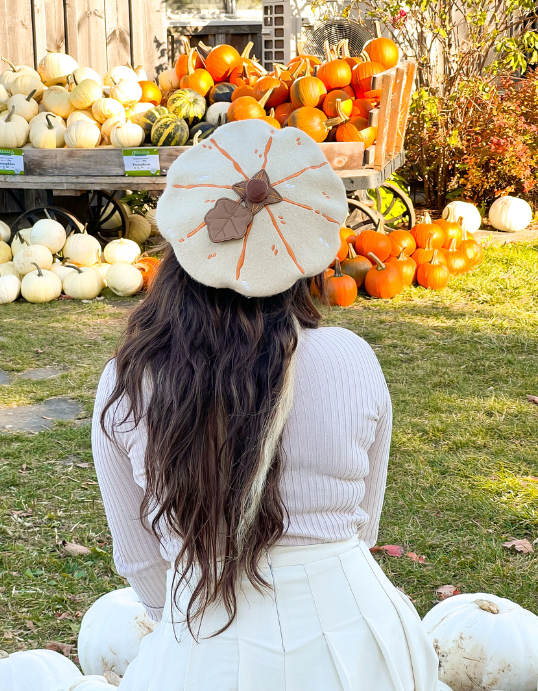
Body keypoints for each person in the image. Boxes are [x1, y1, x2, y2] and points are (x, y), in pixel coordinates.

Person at [92, 120, 438, 690]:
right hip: (359, 642)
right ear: (304, 255)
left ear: (183, 244)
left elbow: (141, 562)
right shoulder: (351, 359)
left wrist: (183, 639)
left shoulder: (128, 381)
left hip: (204, 634)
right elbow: (361, 527)